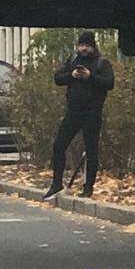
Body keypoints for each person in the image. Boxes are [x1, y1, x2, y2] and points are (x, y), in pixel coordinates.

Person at [44, 31, 115, 200]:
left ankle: (88, 187)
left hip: (92, 112)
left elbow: (109, 83)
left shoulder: (101, 63)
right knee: (58, 145)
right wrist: (72, 75)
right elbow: (58, 78)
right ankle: (56, 183)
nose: (83, 49)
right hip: (73, 111)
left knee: (91, 151)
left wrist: (91, 77)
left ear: (93, 46)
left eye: (87, 46)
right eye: (81, 45)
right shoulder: (73, 60)